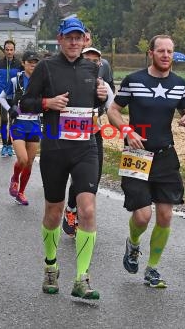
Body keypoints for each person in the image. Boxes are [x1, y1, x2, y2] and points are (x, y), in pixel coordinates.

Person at [19, 17, 109, 300]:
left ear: (85, 41)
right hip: (56, 148)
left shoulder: (92, 68)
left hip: (86, 147)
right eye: (68, 37)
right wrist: (47, 103)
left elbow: (99, 105)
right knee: (54, 212)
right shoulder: (46, 67)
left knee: (88, 209)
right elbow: (26, 102)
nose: (73, 42)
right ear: (59, 39)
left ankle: (81, 277)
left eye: (78, 37)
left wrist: (103, 96)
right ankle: (50, 265)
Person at [107, 34, 185, 289]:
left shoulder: (179, 84)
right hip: (136, 154)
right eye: (161, 51)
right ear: (151, 53)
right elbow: (113, 110)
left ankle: (153, 268)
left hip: (166, 155)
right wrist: (126, 131)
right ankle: (133, 244)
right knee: (143, 216)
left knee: (166, 215)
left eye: (170, 51)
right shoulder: (134, 81)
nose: (166, 55)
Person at [63, 46, 115, 237]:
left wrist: (127, 129)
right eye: (88, 59)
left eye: (95, 61)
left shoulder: (103, 85)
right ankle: (71, 208)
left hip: (93, 134)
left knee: (93, 177)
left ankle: (80, 211)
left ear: (99, 64)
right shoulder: (68, 79)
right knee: (77, 176)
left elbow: (113, 109)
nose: (92, 63)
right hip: (70, 135)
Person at [0, 50, 42, 206]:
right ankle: (14, 178)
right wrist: (10, 109)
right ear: (23, 63)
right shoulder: (15, 80)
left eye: (35, 62)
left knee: (30, 162)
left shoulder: (41, 81)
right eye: (30, 62)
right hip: (19, 124)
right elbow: (2, 97)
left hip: (35, 124)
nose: (33, 65)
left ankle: (21, 192)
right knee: (22, 159)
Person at [0, 40, 22, 157]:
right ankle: (4, 145)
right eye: (7, 50)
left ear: (14, 50)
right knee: (4, 120)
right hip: (2, 97)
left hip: (15, 97)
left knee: (13, 121)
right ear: (4, 50)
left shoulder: (19, 64)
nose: (9, 52)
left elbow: (24, 78)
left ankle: (10, 145)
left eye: (11, 50)